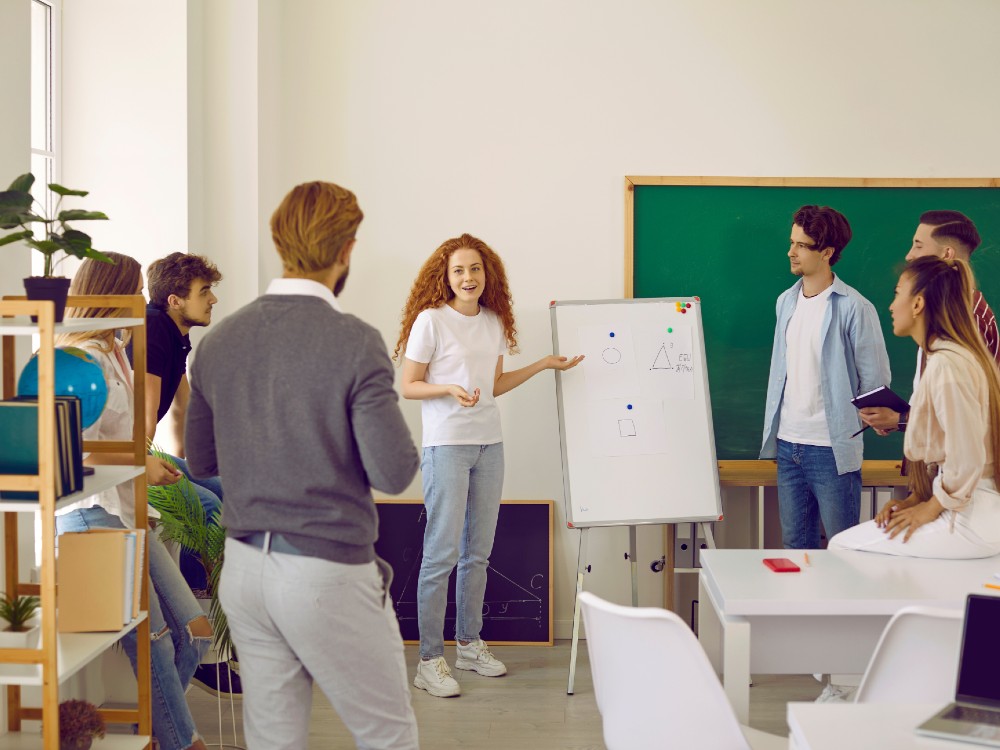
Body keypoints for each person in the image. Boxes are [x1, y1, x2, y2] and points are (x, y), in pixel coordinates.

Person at [184, 181, 421, 749]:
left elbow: (202, 459)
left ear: (280, 242)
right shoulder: (355, 341)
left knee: (274, 739)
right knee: (387, 735)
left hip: (245, 573)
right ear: (346, 250)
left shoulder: (218, 342)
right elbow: (393, 473)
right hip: (325, 572)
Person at [393, 233, 583, 698]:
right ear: (445, 275)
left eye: (475, 269)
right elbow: (408, 385)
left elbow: (494, 384)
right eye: (458, 270)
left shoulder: (494, 321)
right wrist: (448, 389)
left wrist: (542, 365)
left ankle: (470, 645)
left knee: (477, 553)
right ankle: (429, 659)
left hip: (489, 446)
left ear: (486, 273)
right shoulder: (431, 321)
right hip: (447, 447)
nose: (467, 277)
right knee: (441, 555)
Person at [56, 252, 213, 750]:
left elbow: (129, 441)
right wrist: (139, 465)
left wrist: (147, 468)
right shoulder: (79, 361)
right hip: (91, 518)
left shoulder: (117, 354)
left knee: (195, 633)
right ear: (109, 297)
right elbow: (69, 450)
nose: (141, 303)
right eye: (132, 293)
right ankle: (182, 741)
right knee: (155, 646)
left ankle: (165, 729)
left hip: (129, 513)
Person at [830, 256, 1000, 557]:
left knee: (843, 548)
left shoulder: (947, 365)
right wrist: (915, 501)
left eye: (898, 294)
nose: (892, 306)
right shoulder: (947, 356)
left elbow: (967, 457)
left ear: (918, 304)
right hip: (971, 509)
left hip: (969, 518)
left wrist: (930, 508)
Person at [760, 205, 891, 550]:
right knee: (795, 548)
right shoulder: (785, 302)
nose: (791, 251)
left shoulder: (855, 308)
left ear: (827, 252)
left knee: (843, 550)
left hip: (831, 449)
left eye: (802, 245)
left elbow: (875, 382)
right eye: (792, 242)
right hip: (788, 446)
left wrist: (866, 422)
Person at [142, 251, 233, 694]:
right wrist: (154, 469)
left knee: (222, 487)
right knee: (212, 506)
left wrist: (195, 465)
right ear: (176, 299)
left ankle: (227, 620)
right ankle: (214, 643)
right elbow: (143, 417)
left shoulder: (177, 335)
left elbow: (184, 408)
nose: (213, 299)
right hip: (131, 461)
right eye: (204, 292)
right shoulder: (155, 329)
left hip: (152, 452)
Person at [859, 210, 1000, 436]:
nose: (909, 255)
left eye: (918, 245)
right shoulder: (945, 313)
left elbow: (968, 410)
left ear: (946, 253)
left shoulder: (968, 319)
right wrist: (898, 418)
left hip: (957, 464)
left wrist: (900, 419)